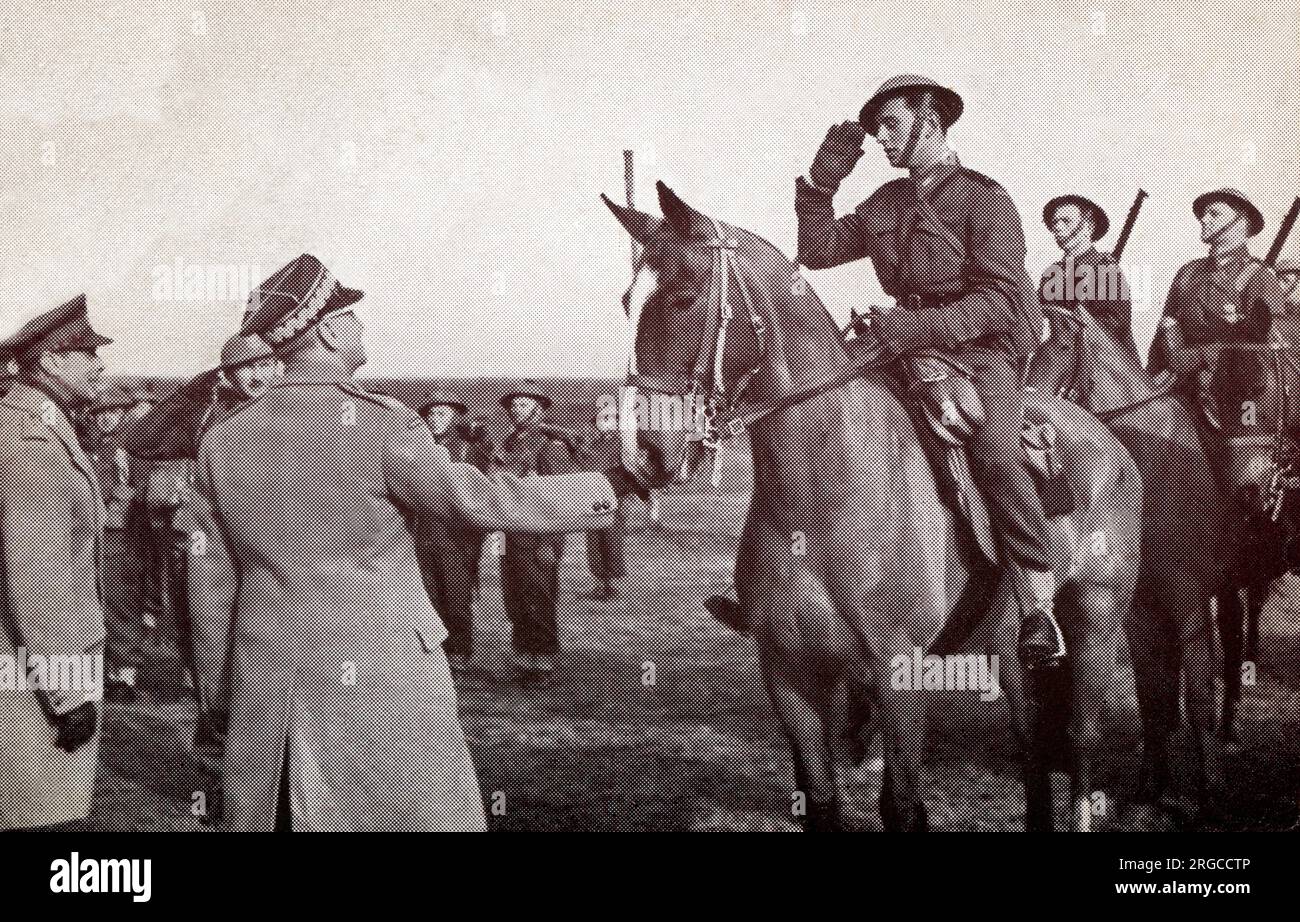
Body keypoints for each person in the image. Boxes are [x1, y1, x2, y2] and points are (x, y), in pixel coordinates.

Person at [195, 254, 636, 831]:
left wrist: (216, 701)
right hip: (381, 680)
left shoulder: (221, 439)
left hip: (265, 685)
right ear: (327, 331)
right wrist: (614, 483)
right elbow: (484, 501)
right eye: (351, 317)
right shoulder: (379, 424)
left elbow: (210, 589)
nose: (360, 329)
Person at [795, 74, 1064, 667]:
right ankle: (794, 583)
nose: (881, 139)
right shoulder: (887, 202)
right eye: (876, 130)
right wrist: (819, 187)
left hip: (981, 352)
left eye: (891, 124)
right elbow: (817, 252)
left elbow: (1004, 303)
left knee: (995, 450)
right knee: (815, 420)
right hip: (898, 348)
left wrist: (907, 328)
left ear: (932, 122)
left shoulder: (983, 198)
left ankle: (1036, 598)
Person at [0, 295, 112, 828]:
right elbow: (40, 577)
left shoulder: (37, 428)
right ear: (51, 362)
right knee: (43, 814)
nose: (100, 368)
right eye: (88, 355)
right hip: (39, 676)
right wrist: (66, 693)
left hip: (31, 667)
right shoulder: (32, 444)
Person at [492, 382, 582, 680]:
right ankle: (523, 654)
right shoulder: (511, 442)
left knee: (539, 595)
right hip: (511, 533)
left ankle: (542, 658)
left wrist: (548, 542)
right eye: (514, 404)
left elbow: (557, 496)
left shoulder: (550, 444)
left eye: (524, 403)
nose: (517, 409)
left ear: (538, 407)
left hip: (539, 536)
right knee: (514, 594)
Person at [86, 382, 157, 703]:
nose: (105, 418)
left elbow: (145, 488)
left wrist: (123, 497)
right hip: (99, 532)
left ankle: (126, 674)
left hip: (123, 532)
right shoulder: (96, 444)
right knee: (101, 600)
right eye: (100, 412)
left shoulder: (131, 445)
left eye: (112, 412)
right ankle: (111, 671)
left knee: (122, 599)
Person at [412, 395, 490, 674]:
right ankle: (436, 654)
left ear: (456, 416)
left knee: (457, 601)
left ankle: (458, 651)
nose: (435, 418)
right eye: (431, 413)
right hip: (424, 535)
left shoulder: (469, 449)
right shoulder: (418, 448)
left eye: (442, 413)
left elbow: (480, 491)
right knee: (429, 598)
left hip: (458, 538)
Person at [1039, 194, 1140, 361]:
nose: (1057, 227)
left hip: (1106, 367)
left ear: (1088, 225)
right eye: (1055, 222)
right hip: (1059, 359)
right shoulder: (1053, 273)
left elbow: (1115, 324)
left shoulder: (1107, 269)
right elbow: (1039, 315)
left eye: (1066, 221)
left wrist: (1075, 325)